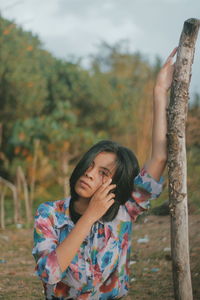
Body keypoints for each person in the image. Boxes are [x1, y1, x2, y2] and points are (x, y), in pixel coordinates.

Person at [32, 48, 177, 300]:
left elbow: (159, 157)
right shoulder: (50, 214)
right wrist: (89, 216)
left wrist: (159, 92)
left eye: (103, 173)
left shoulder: (125, 212)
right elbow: (50, 274)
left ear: (116, 185)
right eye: (89, 165)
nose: (89, 174)